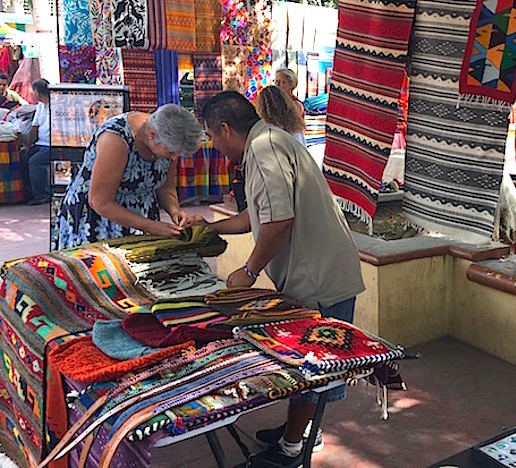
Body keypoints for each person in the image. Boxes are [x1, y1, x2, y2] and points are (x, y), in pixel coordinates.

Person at [194, 91, 364, 459]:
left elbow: (279, 222)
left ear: (225, 128)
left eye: (211, 136)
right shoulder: (266, 142)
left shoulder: (264, 149)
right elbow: (255, 217)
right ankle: (299, 431)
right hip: (316, 270)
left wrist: (249, 270)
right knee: (307, 364)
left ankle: (292, 448)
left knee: (311, 366)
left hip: (318, 276)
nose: (214, 146)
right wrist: (209, 227)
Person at [54, 104, 203, 250]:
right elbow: (100, 202)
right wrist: (151, 226)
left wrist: (175, 212)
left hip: (141, 219)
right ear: (152, 134)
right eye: (171, 152)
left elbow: (166, 187)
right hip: (98, 219)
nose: (173, 158)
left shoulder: (167, 142)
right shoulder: (116, 139)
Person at [21, 78, 50, 205]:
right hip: (40, 143)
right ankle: (29, 193)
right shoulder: (40, 107)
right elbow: (35, 127)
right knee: (23, 157)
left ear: (38, 92)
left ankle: (42, 194)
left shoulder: (55, 105)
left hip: (51, 145)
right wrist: (28, 145)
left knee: (35, 161)